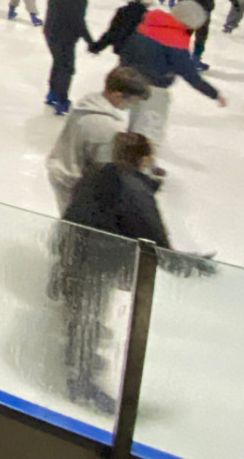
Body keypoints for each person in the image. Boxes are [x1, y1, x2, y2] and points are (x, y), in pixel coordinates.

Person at [55, 132, 179, 415]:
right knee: (88, 314)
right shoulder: (134, 188)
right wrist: (186, 264)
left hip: (77, 253)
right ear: (144, 159)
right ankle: (81, 383)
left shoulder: (96, 174)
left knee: (83, 313)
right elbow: (153, 238)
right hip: (99, 261)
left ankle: (78, 361)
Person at [45, 67, 152, 212]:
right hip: (76, 184)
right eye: (134, 101)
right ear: (118, 95)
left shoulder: (88, 103)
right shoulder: (108, 127)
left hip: (61, 169)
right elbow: (105, 171)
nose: (134, 106)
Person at [119, 1, 226, 144]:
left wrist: (124, 77)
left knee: (134, 126)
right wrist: (214, 94)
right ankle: (139, 157)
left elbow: (126, 52)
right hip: (154, 91)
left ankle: (125, 153)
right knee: (148, 135)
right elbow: (190, 74)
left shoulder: (147, 24)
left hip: (131, 84)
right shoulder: (175, 39)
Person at [44, 0, 93, 115]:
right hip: (65, 36)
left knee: (58, 63)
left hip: (51, 33)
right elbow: (78, 22)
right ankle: (62, 101)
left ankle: (53, 93)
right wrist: (90, 41)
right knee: (66, 68)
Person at [90, 0, 154, 55]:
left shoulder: (123, 11)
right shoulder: (147, 15)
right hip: (139, 51)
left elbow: (112, 31)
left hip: (122, 48)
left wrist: (98, 46)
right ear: (145, 0)